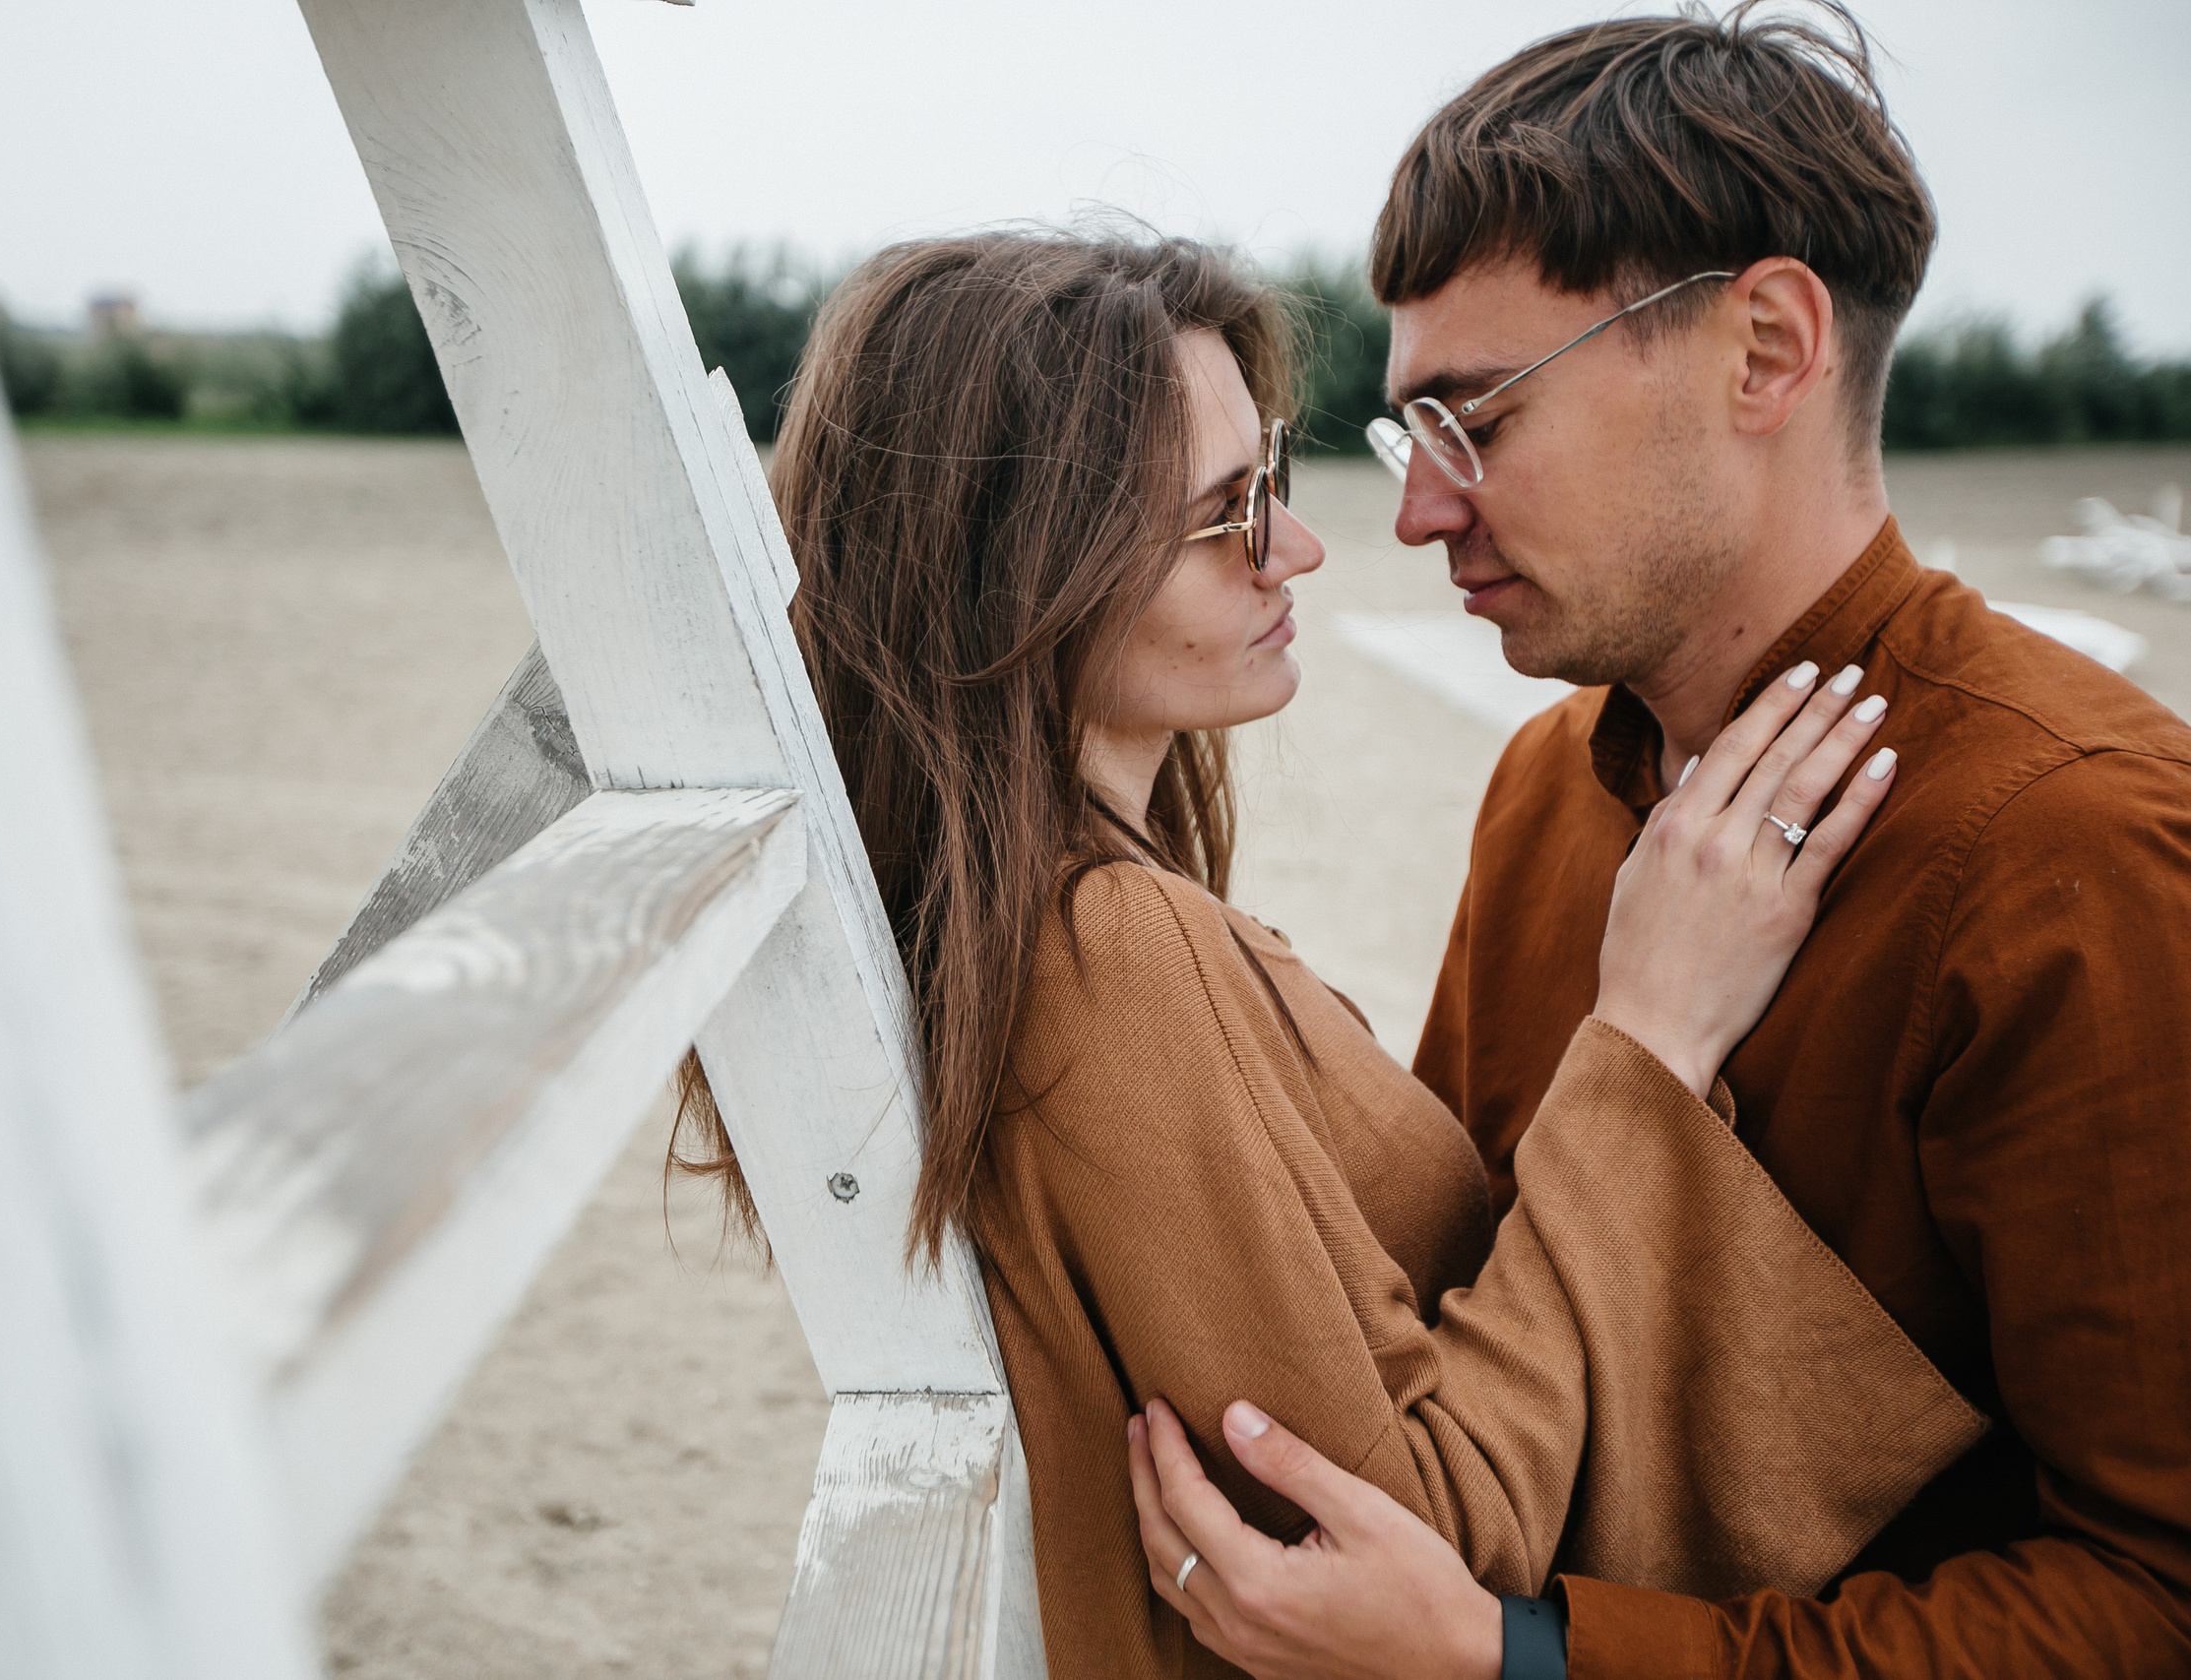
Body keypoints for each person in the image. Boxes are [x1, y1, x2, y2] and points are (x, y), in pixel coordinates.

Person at [671, 227, 1984, 1680]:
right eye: (1227, 511)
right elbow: (1414, 1542)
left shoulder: (1029, 915)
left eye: (1276, 479)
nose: (1294, 546)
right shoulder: (1102, 948)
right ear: (1029, 565)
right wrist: (1651, 1040)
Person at [1128, 6, 2191, 1677]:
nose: (1416, 510)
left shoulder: (2082, 853)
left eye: (1479, 415)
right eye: (1412, 433)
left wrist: (1527, 1660)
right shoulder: (1552, 786)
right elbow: (1490, 1303)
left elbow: (2156, 1601)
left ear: (1765, 350)